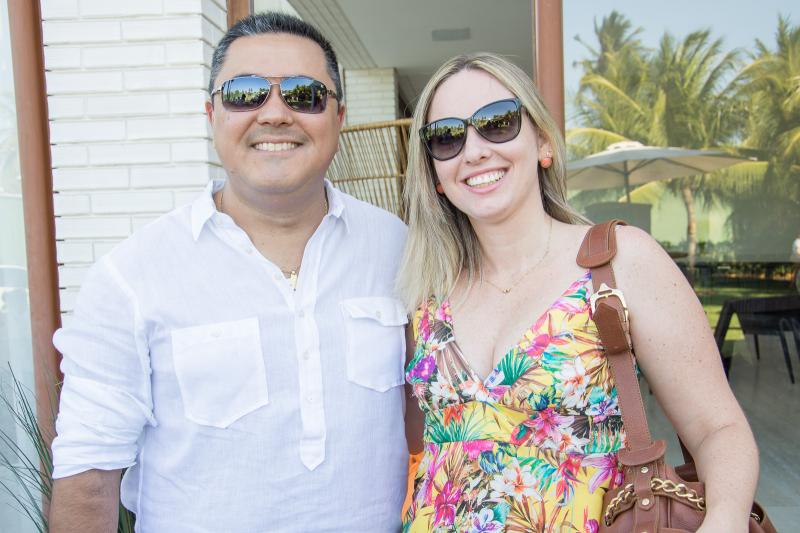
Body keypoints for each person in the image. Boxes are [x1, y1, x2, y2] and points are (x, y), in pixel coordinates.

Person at [49, 12, 409, 533]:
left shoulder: (397, 247)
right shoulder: (131, 277)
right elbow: (88, 476)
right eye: (246, 94)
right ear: (211, 113)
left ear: (339, 117)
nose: (276, 114)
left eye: (304, 95)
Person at [398, 52, 759, 533]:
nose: (474, 150)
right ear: (435, 174)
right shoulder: (426, 293)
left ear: (543, 143)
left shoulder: (618, 262)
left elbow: (719, 429)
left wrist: (726, 521)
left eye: (497, 123)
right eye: (447, 136)